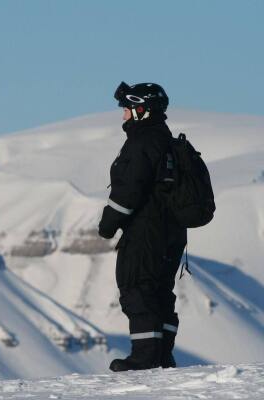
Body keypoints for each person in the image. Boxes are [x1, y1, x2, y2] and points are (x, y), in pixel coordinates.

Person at [98, 82, 187, 372]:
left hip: (146, 230)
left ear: (142, 110)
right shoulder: (165, 140)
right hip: (172, 231)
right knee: (160, 290)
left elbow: (130, 189)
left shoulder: (142, 142)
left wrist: (108, 223)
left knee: (137, 288)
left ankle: (145, 358)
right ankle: (162, 355)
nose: (124, 115)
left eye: (127, 109)